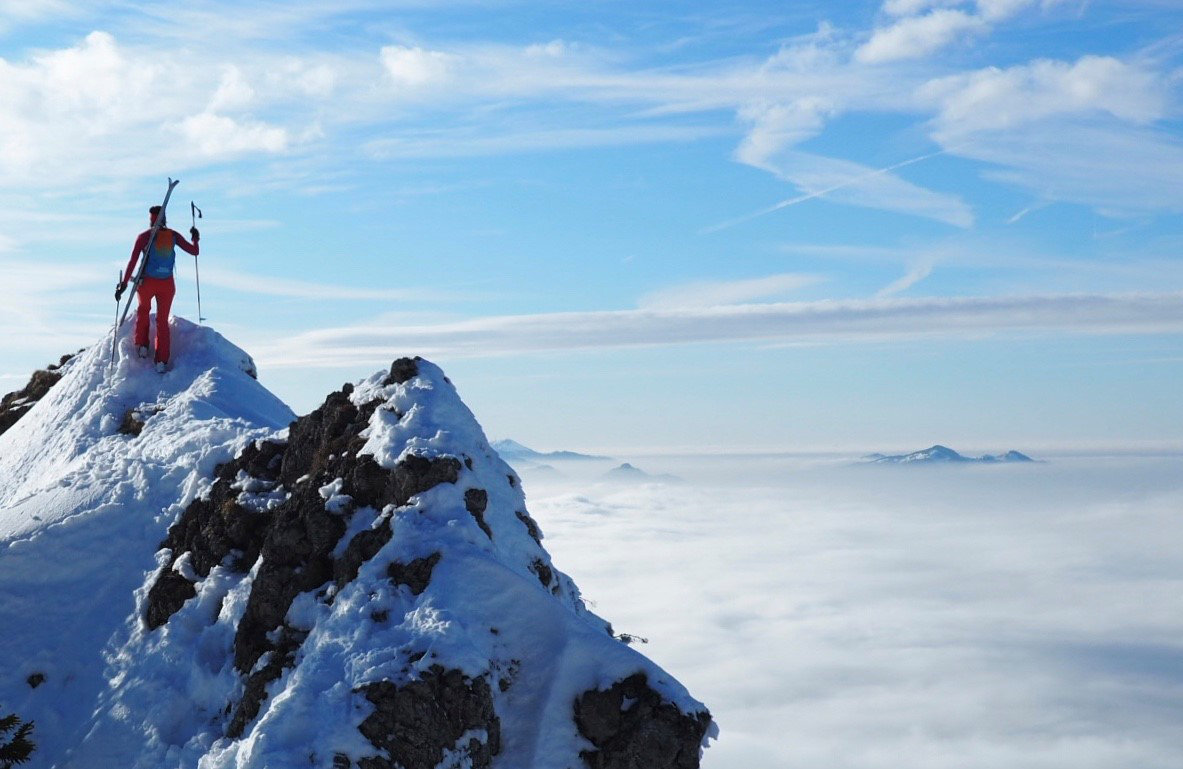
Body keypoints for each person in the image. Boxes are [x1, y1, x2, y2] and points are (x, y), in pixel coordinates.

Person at [116, 206, 200, 372]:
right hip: (167, 284)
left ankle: (142, 345)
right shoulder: (173, 235)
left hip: (147, 282)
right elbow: (194, 251)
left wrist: (124, 284)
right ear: (164, 218)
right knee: (162, 321)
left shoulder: (144, 236)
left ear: (151, 219)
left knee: (143, 310)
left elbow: (133, 261)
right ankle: (161, 360)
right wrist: (195, 238)